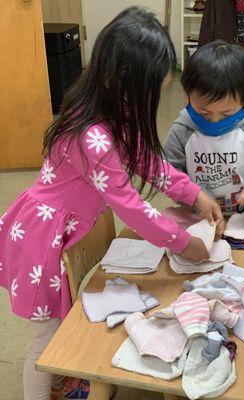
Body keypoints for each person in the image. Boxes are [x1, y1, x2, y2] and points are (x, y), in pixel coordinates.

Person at [0, 7, 223, 400]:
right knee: (46, 344)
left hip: (59, 234)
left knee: (55, 333)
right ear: (117, 81)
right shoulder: (92, 136)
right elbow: (132, 207)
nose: (153, 99)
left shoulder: (111, 110)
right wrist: (185, 242)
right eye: (150, 91)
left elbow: (150, 164)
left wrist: (195, 194)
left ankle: (62, 384)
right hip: (42, 242)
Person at [164, 40, 244, 216]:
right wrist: (194, 196)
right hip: (199, 217)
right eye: (203, 112)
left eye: (226, 114)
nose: (214, 120)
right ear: (188, 94)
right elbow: (169, 173)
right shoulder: (182, 130)